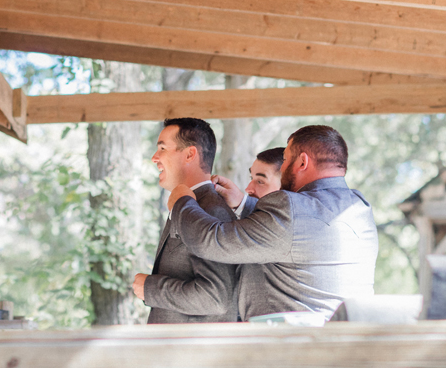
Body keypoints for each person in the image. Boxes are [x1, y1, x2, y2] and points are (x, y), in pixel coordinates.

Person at [168, 125, 378, 321]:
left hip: (293, 351)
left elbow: (211, 241)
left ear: (302, 162)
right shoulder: (359, 207)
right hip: (347, 344)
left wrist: (182, 201)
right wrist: (243, 203)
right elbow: (301, 234)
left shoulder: (288, 206)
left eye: (285, 160)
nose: (283, 166)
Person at [131, 118, 238, 323]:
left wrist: (150, 289)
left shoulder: (212, 211)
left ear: (190, 154)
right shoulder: (189, 204)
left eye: (162, 148)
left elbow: (215, 298)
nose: (155, 158)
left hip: (191, 352)